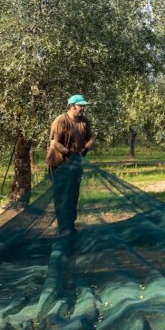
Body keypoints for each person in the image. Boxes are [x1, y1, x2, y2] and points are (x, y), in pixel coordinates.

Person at [46, 94, 95, 236]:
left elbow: (91, 139)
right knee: (61, 196)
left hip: (75, 164)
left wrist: (84, 150)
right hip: (58, 164)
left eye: (83, 106)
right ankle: (63, 227)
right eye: (81, 106)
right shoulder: (60, 121)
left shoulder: (84, 121)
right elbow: (54, 143)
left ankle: (70, 226)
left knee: (73, 195)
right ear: (72, 106)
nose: (83, 109)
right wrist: (69, 153)